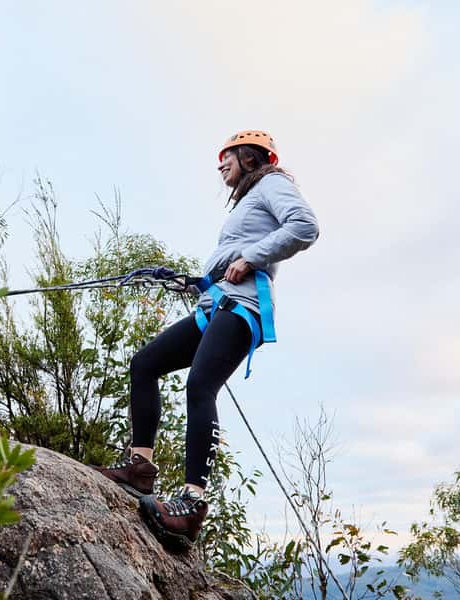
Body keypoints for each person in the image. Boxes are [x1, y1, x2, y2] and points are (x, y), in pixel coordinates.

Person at [92, 130, 319, 550]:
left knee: (200, 386)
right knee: (145, 364)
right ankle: (140, 467)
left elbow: (305, 227)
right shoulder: (251, 196)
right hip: (216, 302)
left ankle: (193, 503)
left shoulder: (272, 183)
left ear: (250, 157)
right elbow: (237, 252)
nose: (220, 165)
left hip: (241, 305)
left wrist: (251, 258)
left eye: (227, 156)